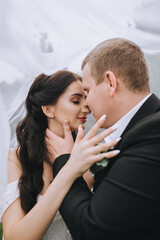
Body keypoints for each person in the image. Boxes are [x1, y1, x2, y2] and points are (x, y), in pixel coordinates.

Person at [46, 38, 160, 240]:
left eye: (87, 91)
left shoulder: (152, 132)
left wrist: (65, 162)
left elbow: (92, 230)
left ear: (110, 82)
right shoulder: (142, 128)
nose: (87, 104)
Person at [0, 70, 120, 240]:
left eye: (87, 98)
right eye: (76, 100)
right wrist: (68, 170)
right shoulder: (15, 160)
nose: (87, 106)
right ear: (48, 109)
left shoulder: (88, 159)